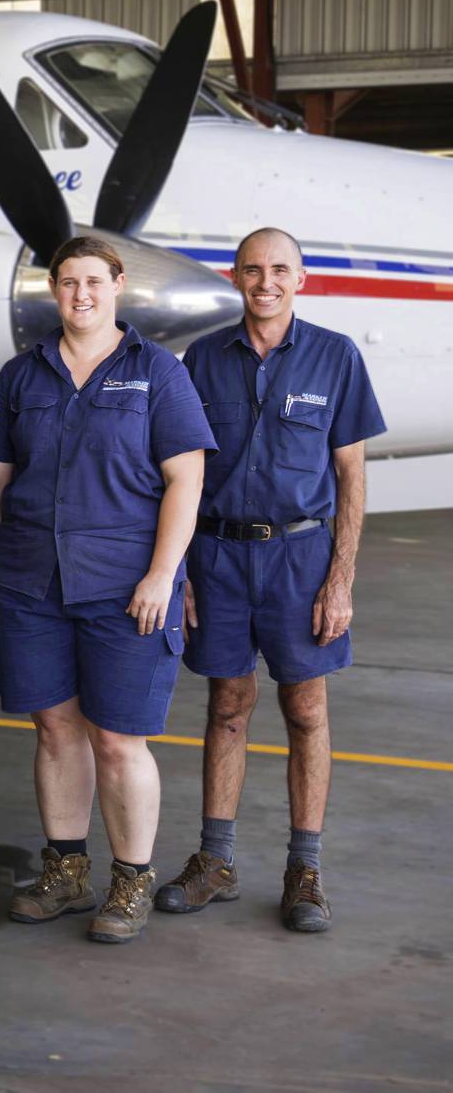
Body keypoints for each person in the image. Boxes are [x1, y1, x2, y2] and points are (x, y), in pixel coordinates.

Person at [0, 236, 215, 945]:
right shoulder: (21, 377)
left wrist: (164, 574)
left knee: (118, 739)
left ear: (118, 286)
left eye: (94, 282)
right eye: (68, 282)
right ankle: (66, 872)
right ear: (54, 290)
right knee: (55, 729)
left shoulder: (159, 373)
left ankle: (130, 879)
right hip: (30, 583)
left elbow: (185, 480)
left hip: (125, 586)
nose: (81, 294)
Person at [155, 227, 384, 933]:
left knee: (306, 711)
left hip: (300, 558)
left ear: (301, 278)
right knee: (227, 705)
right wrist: (184, 571)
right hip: (220, 558)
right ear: (236, 277)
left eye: (280, 269)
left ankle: (304, 872)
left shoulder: (334, 356)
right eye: (253, 270)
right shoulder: (202, 359)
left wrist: (339, 579)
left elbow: (351, 476)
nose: (266, 282)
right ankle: (215, 861)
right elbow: (183, 475)